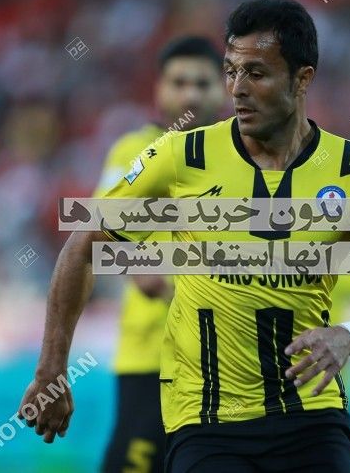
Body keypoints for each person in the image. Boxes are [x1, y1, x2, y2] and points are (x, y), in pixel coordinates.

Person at [18, 0, 350, 473]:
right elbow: (83, 247)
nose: (237, 89)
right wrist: (52, 368)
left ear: (302, 78)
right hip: (207, 424)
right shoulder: (182, 156)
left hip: (312, 419)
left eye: (257, 74)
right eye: (231, 72)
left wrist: (349, 337)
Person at [93, 36, 225, 472]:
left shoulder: (238, 156)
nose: (191, 95)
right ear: (158, 89)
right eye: (179, 82)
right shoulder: (133, 151)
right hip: (151, 354)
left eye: (202, 83)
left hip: (225, 362)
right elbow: (102, 232)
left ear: (224, 88)